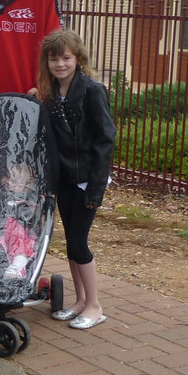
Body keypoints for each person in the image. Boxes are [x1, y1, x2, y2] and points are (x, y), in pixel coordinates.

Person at [38, 29, 116, 331]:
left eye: (66, 58)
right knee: (71, 242)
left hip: (86, 180)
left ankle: (95, 306)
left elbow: (104, 140)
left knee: (80, 244)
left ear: (78, 59)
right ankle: (81, 301)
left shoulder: (93, 90)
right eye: (54, 59)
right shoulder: (53, 94)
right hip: (65, 179)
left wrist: (95, 188)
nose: (60, 64)